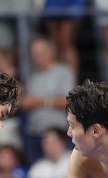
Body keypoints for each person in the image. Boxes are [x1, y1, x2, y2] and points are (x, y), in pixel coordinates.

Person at [21, 37, 76, 165]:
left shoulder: (64, 72)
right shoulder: (31, 77)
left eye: (41, 52)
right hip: (34, 135)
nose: (37, 57)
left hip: (58, 135)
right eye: (34, 54)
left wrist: (40, 102)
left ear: (51, 52)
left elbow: (69, 102)